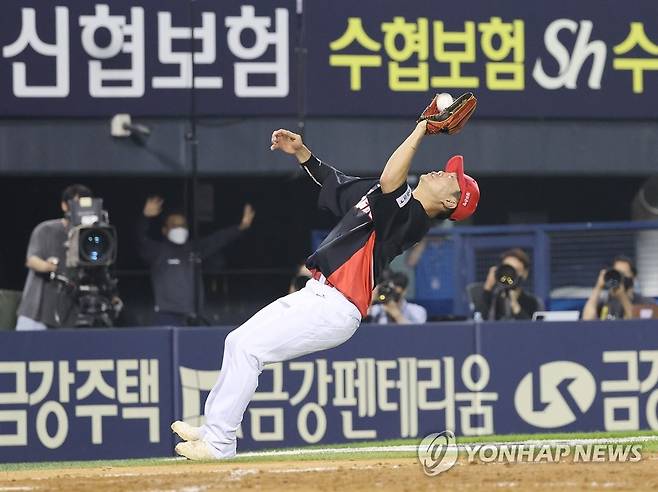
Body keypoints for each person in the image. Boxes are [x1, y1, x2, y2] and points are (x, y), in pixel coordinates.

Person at [171, 98, 479, 460]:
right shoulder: (387, 197)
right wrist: (303, 154)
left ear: (450, 204)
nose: (444, 172)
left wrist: (422, 128)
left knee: (249, 350)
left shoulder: (412, 220)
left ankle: (220, 443)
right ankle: (214, 429)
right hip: (317, 294)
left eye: (452, 179)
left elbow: (390, 180)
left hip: (337, 306)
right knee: (238, 342)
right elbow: (338, 184)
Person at [138, 197, 256, 326]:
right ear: (164, 230)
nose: (179, 228)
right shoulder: (157, 251)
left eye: (182, 225)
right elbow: (139, 239)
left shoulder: (194, 249)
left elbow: (217, 239)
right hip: (167, 316)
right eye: (174, 225)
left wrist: (241, 227)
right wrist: (144, 217)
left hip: (193, 316)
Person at [15, 184, 92, 330]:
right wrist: (47, 266)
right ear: (64, 205)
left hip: (68, 315)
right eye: (76, 204)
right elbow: (32, 260)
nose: (80, 210)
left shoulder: (90, 237)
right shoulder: (46, 229)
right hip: (36, 314)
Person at [472, 248, 541, 320]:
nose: (509, 275)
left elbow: (532, 326)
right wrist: (488, 287)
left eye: (515, 270)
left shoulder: (531, 302)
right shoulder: (492, 298)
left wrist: (515, 305)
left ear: (525, 274)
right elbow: (477, 320)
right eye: (507, 269)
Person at [582, 255, 655, 320]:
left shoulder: (645, 303)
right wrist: (598, 286)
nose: (619, 278)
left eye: (623, 274)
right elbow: (587, 320)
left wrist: (623, 297)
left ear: (633, 277)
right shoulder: (604, 302)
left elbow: (639, 327)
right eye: (616, 273)